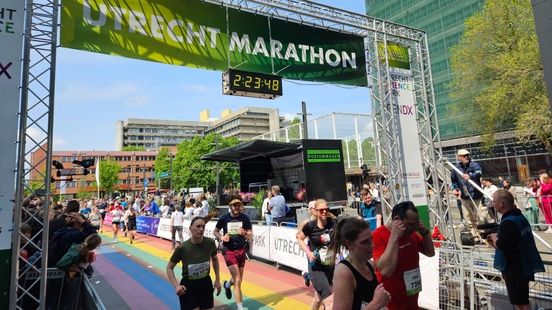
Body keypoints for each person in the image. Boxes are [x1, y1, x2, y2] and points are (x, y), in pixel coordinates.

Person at [487, 189, 544, 310]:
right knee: (521, 300)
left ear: (501, 203)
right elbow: (512, 243)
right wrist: (495, 244)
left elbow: (503, 245)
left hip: (515, 268)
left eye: (494, 201)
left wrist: (494, 237)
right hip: (523, 264)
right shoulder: (519, 216)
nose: (493, 204)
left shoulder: (509, 221)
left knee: (521, 302)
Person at [372, 201, 435, 310]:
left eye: (416, 224)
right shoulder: (378, 236)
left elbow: (430, 253)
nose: (414, 229)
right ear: (397, 220)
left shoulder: (411, 234)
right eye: (411, 224)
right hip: (390, 302)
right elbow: (385, 271)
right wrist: (394, 237)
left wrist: (424, 232)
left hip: (412, 299)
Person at [329, 218, 391, 310]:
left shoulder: (369, 265)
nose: (372, 245)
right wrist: (376, 304)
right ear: (349, 244)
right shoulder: (344, 273)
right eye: (365, 242)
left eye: (371, 239)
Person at [166, 215, 221, 310]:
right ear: (191, 228)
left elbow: (215, 259)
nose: (201, 229)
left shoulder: (210, 243)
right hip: (189, 286)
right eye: (198, 226)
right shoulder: (182, 248)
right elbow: (169, 268)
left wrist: (217, 279)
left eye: (203, 227)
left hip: (205, 283)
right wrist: (176, 286)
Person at [297, 199, 337, 310]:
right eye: (321, 210)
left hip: (329, 266)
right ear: (315, 211)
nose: (324, 212)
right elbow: (300, 238)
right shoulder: (310, 226)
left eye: (326, 210)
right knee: (330, 302)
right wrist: (308, 252)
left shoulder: (333, 222)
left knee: (318, 298)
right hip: (316, 268)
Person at [213, 195, 252, 310]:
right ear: (230, 206)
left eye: (238, 205)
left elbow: (250, 233)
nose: (236, 207)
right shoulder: (224, 218)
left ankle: (227, 285)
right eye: (234, 205)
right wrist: (221, 237)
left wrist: (244, 233)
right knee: (238, 280)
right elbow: (215, 232)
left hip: (241, 250)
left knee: (238, 279)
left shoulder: (245, 218)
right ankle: (240, 307)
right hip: (229, 251)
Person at [450, 149, 485, 241]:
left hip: (477, 196)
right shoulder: (456, 168)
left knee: (483, 216)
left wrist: (471, 176)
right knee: (468, 218)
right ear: (459, 157)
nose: (466, 157)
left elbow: (479, 173)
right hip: (465, 197)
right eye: (464, 155)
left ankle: (483, 233)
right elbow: (453, 181)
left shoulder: (474, 164)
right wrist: (455, 189)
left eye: (467, 155)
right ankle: (475, 235)